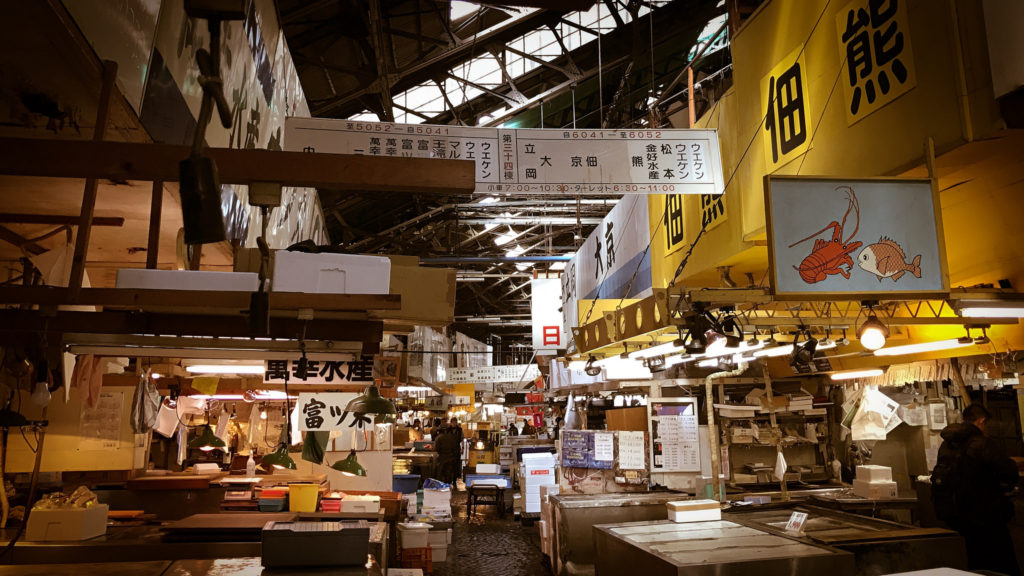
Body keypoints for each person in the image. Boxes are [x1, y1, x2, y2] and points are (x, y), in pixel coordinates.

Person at [932, 404, 1020, 575]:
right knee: (1001, 564)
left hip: (956, 516)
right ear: (982, 421)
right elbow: (1009, 471)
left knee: (972, 563)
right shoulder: (981, 443)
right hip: (986, 517)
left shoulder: (947, 444)